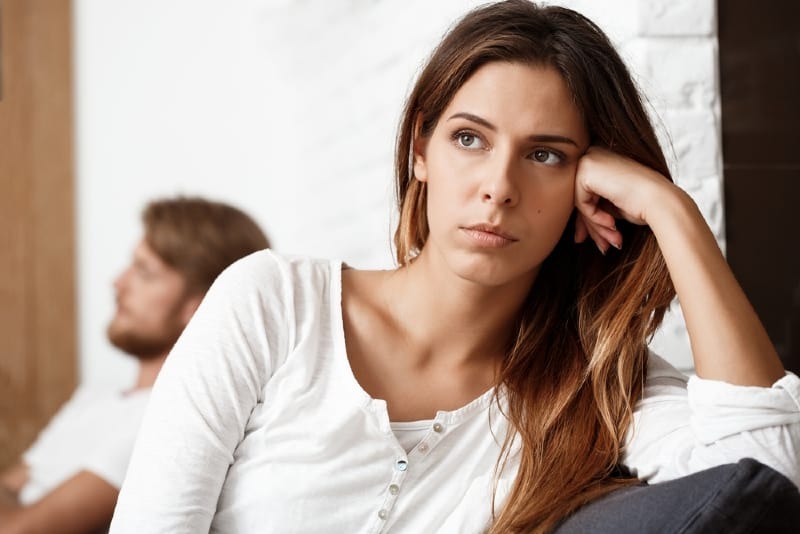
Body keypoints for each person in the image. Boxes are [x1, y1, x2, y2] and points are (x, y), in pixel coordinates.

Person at [109, 2, 800, 533]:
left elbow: (764, 480)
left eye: (546, 155)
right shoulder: (273, 303)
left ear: (588, 188)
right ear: (420, 152)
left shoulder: (598, 383)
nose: (498, 187)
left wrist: (671, 210)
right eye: (469, 139)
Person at [0, 197, 269, 534]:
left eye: (145, 272)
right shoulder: (95, 398)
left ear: (202, 304)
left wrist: (14, 499)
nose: (118, 283)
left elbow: (18, 528)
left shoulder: (171, 418)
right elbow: (10, 482)